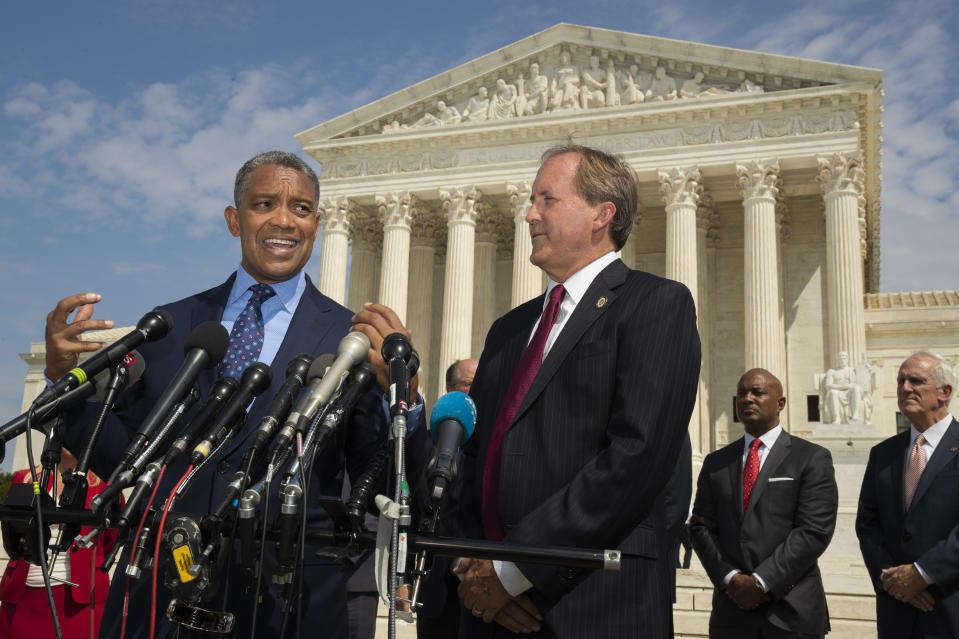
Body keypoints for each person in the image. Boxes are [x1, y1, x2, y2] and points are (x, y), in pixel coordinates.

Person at [44, 150, 428, 638]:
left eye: (302, 208)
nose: (284, 220)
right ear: (234, 219)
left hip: (286, 606)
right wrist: (63, 383)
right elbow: (122, 459)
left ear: (317, 224)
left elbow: (381, 481)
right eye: (265, 203)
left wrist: (405, 400)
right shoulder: (172, 324)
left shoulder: (348, 340)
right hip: (160, 598)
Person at [454, 144, 701, 638]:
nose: (530, 214)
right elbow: (474, 458)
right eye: (531, 200)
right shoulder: (509, 329)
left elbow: (636, 456)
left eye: (548, 199)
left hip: (593, 602)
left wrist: (513, 570)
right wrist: (475, 566)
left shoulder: (656, 305)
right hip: (490, 611)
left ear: (600, 215)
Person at [690, 369, 838, 639]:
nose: (747, 398)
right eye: (742, 394)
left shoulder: (811, 458)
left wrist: (761, 582)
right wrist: (730, 578)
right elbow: (700, 526)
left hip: (791, 612)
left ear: (780, 403)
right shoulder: (717, 462)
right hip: (731, 613)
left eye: (757, 392)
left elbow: (813, 530)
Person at [856, 351, 959, 638]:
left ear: (944, 392)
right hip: (897, 611)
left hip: (949, 604)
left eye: (916, 381)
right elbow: (867, 523)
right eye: (901, 380)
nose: (904, 388)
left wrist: (923, 573)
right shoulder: (883, 453)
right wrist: (895, 580)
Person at [0, 450, 119, 638]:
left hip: (79, 604)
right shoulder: (23, 478)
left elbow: (110, 539)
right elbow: (11, 534)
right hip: (22, 598)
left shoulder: (106, 487)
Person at [416, 358, 480, 638]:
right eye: (468, 385)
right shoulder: (429, 442)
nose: (474, 393)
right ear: (450, 389)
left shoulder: (499, 441)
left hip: (483, 586)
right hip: (437, 588)